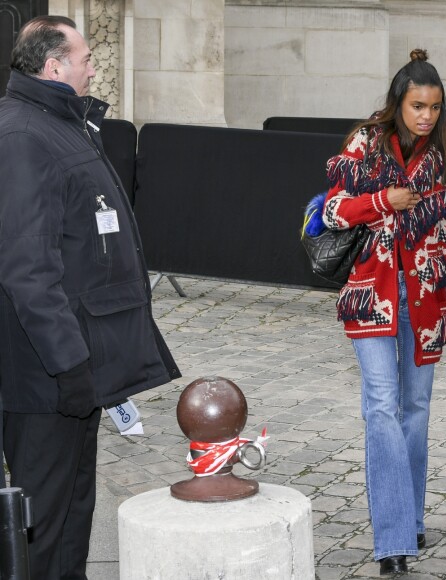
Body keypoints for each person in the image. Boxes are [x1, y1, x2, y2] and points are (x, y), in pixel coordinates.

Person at [0, 16, 180, 579]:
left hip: (77, 366)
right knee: (40, 525)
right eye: (85, 58)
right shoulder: (23, 136)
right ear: (54, 67)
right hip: (45, 377)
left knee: (75, 513)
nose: (93, 66)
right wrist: (69, 363)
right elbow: (28, 268)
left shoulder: (62, 123)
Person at [321, 49, 446, 574]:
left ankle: (410, 516)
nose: (426, 116)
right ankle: (393, 541)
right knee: (381, 407)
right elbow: (332, 210)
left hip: (426, 301)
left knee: (417, 411)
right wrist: (384, 200)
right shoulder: (364, 142)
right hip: (372, 294)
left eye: (434, 107)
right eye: (417, 106)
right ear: (398, 103)